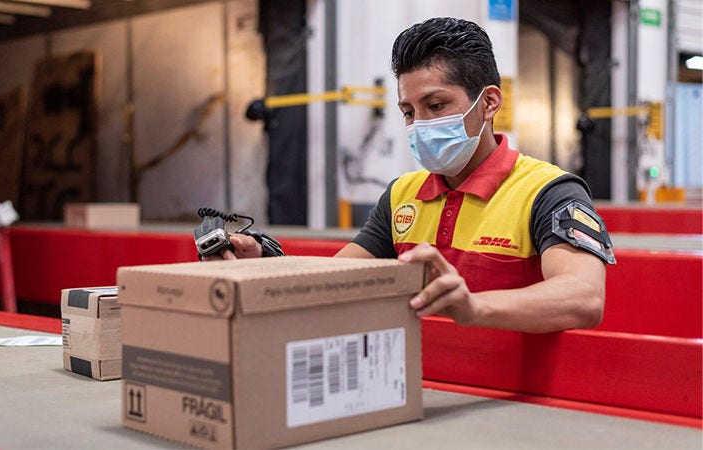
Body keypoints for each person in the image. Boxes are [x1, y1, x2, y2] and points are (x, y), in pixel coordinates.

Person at [204, 17, 616, 334]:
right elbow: (338, 277)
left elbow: (583, 296)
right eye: (408, 112)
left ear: (489, 102)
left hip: (516, 402)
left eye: (435, 105)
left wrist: (475, 308)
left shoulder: (549, 193)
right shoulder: (403, 194)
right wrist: (264, 261)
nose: (419, 125)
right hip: (426, 388)